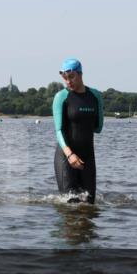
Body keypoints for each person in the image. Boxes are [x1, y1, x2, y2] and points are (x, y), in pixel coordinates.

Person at [51, 58, 105, 203]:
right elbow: (59, 130)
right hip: (66, 157)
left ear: (80, 74)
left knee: (89, 203)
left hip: (88, 157)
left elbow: (99, 128)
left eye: (71, 77)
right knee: (71, 203)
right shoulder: (61, 97)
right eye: (65, 78)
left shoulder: (95, 96)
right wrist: (70, 155)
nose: (68, 81)